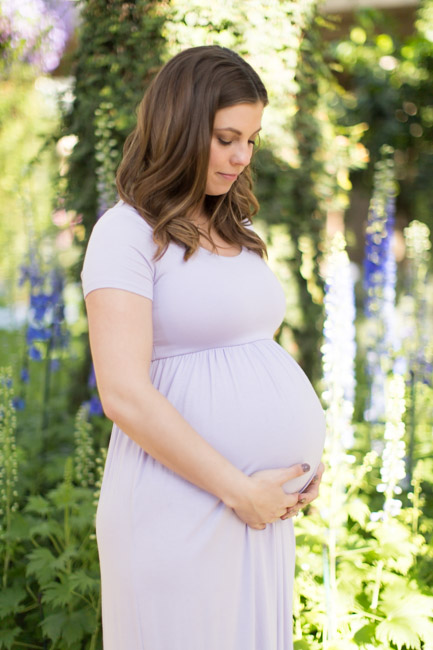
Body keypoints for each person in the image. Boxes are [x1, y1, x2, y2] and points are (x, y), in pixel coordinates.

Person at [81, 45, 326, 650]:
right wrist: (241, 488)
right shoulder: (126, 233)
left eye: (251, 140)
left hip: (256, 513)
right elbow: (123, 394)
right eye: (226, 138)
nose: (242, 157)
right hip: (179, 508)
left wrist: (296, 473)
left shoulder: (235, 231)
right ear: (182, 126)